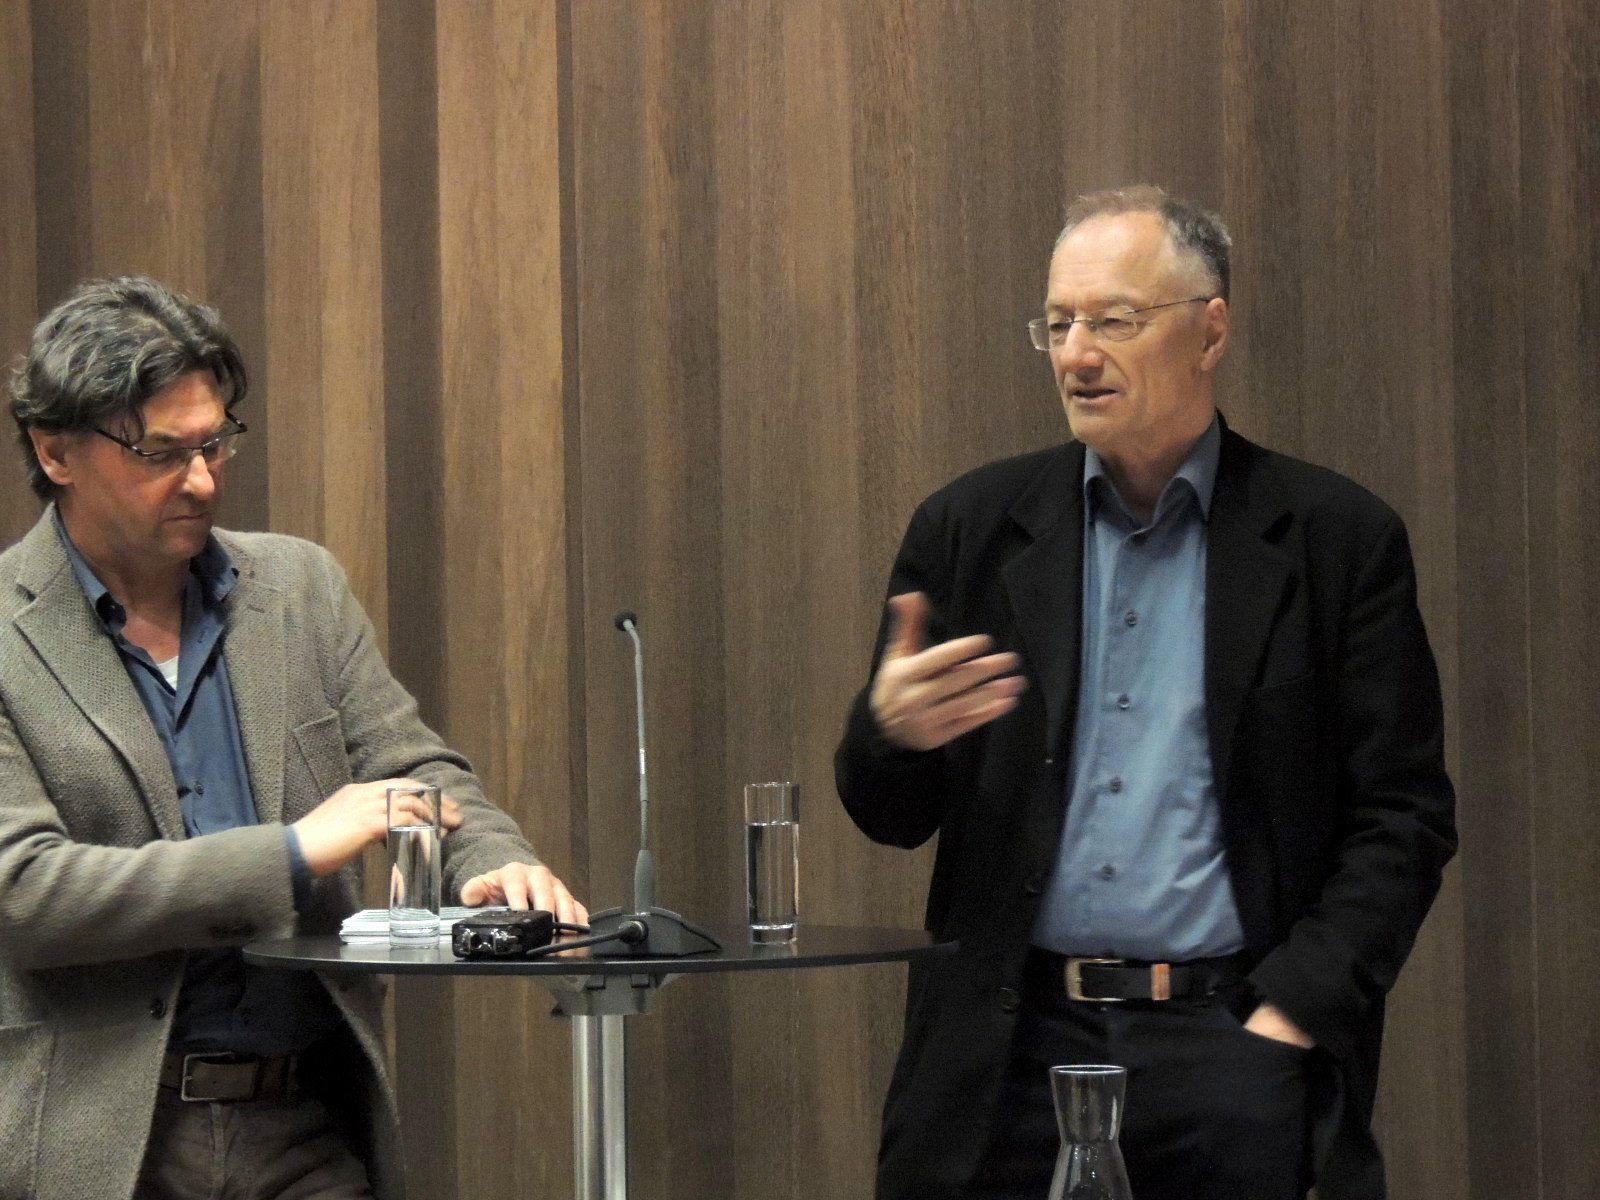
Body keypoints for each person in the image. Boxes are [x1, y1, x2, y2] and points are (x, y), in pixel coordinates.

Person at [835, 186, 1457, 1200]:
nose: (1077, 355)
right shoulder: (969, 529)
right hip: (1010, 1052)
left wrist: (1288, 1017)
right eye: (1057, 324)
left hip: (1231, 1048)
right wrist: (890, 734)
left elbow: (1403, 816)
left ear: (1209, 331)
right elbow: (888, 817)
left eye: (1114, 320)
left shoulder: (1336, 540)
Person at [0, 275, 586, 1200]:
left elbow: (409, 766)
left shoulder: (297, 589)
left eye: (213, 443)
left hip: (306, 1127)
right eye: (162, 453)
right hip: (102, 1147)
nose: (202, 479)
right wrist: (291, 854)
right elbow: (27, 895)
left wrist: (493, 861)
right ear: (54, 450)